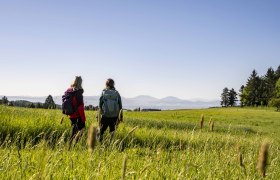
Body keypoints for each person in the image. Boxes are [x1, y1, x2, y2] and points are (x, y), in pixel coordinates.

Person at [63, 76, 86, 146]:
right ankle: (73, 145)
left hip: (71, 114)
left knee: (73, 130)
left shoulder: (68, 90)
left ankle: (71, 145)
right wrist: (83, 118)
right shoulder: (78, 92)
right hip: (78, 115)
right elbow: (80, 106)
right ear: (80, 82)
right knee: (80, 130)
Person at [99, 78, 122, 143]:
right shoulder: (116, 93)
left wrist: (100, 112)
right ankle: (111, 144)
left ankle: (100, 143)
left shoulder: (103, 92)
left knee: (101, 131)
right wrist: (120, 116)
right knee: (112, 131)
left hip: (105, 115)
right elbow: (120, 105)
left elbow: (100, 103)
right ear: (113, 84)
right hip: (114, 116)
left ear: (106, 84)